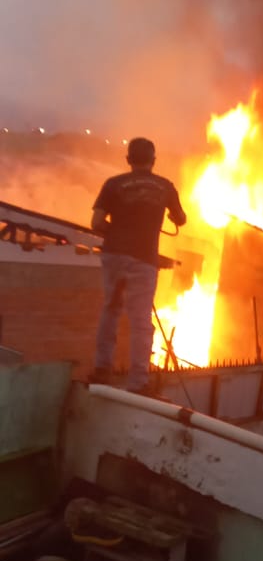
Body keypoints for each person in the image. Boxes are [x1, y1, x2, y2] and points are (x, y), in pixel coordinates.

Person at [90, 136, 186, 392]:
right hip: (143, 259)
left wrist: (116, 233)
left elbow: (97, 222)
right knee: (141, 320)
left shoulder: (113, 184)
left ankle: (101, 370)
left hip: (113, 255)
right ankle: (138, 382)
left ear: (128, 160)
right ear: (153, 161)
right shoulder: (165, 187)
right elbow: (181, 219)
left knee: (110, 310)